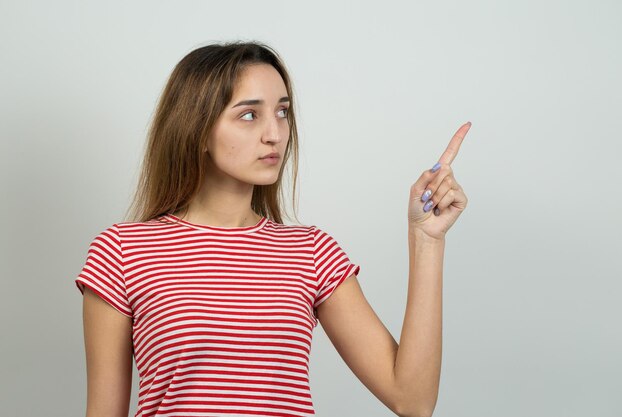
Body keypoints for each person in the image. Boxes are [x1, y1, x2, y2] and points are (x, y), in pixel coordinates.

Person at [75, 40, 471, 417]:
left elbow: (413, 400)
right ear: (196, 130)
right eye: (250, 114)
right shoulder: (123, 252)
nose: (275, 133)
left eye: (281, 111)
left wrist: (426, 241)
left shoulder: (311, 252)